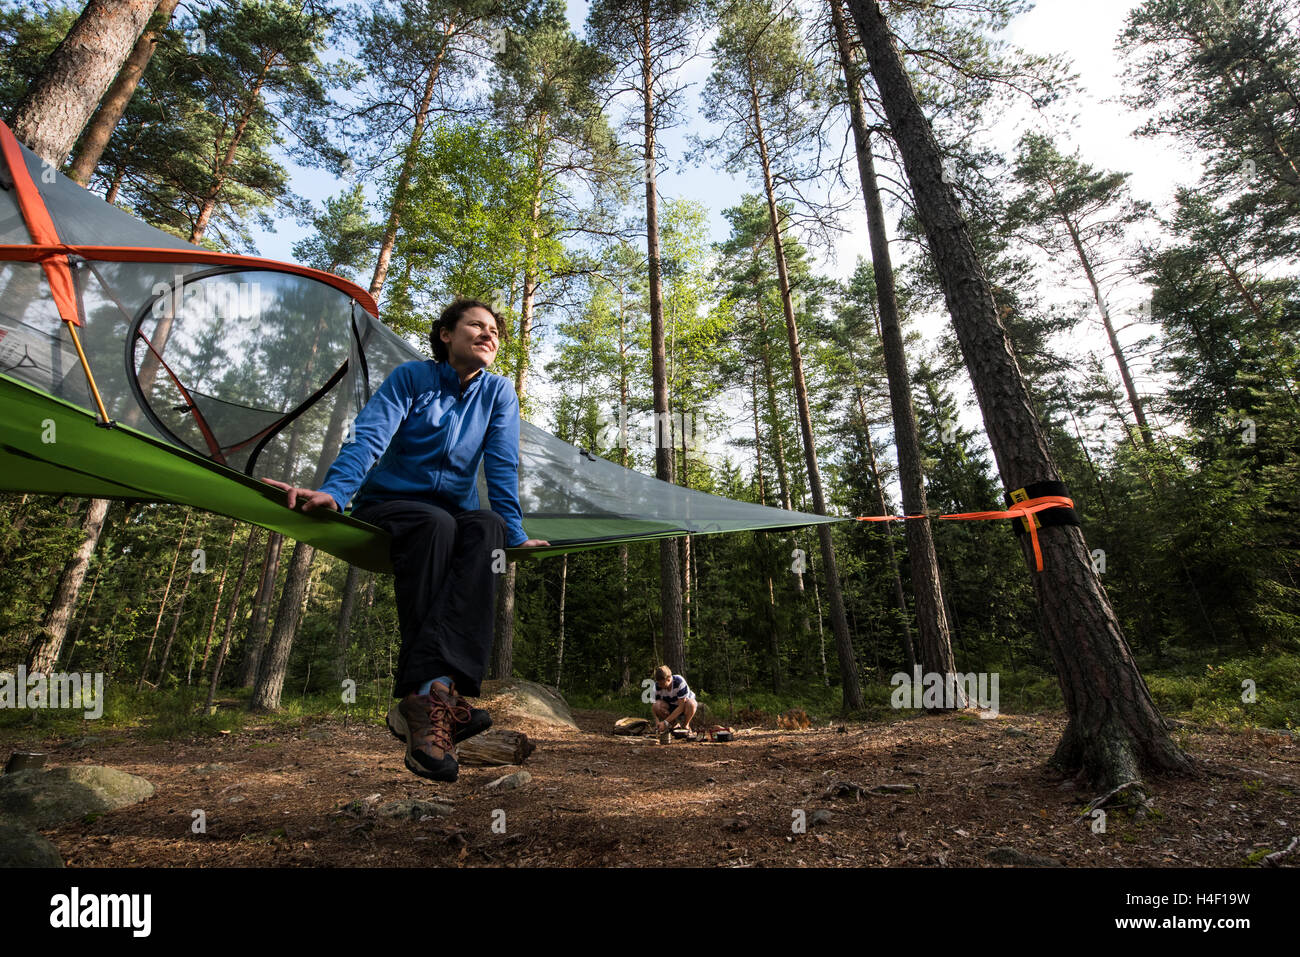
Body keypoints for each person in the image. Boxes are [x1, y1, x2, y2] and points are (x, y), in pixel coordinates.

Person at [262, 298, 548, 783]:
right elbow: (369, 436)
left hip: (453, 514)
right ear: (445, 335)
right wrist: (336, 490)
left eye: (495, 332)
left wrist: (516, 533)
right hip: (390, 506)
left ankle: (427, 696)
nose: (489, 335)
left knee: (489, 529)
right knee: (435, 524)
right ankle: (439, 695)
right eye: (476, 326)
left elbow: (501, 463)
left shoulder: (498, 393)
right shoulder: (411, 379)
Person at [650, 664, 696, 735]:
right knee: (657, 705)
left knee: (691, 704)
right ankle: (675, 725)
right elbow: (653, 707)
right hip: (670, 706)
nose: (660, 685)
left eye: (662, 683)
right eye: (658, 683)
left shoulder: (679, 682)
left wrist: (665, 722)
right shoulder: (657, 686)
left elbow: (681, 707)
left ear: (668, 679)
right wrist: (657, 721)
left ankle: (686, 725)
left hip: (684, 706)